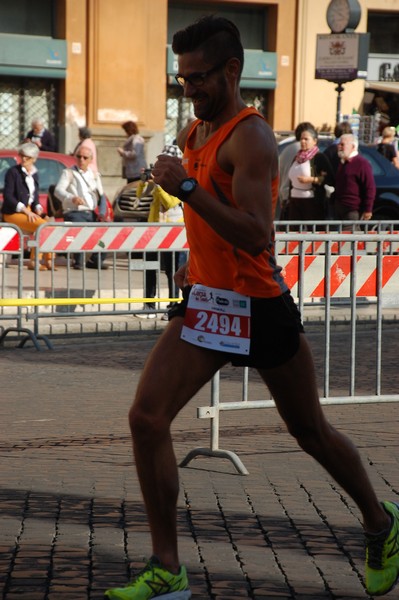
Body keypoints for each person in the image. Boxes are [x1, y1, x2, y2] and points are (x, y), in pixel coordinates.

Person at [104, 16, 399, 600]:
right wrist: (195, 259)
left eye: (199, 78)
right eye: (182, 79)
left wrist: (185, 189)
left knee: (309, 431)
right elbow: (210, 222)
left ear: (232, 71)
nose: (189, 89)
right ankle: (168, 568)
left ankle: (380, 522)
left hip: (259, 308)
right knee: (146, 418)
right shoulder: (195, 134)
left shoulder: (252, 137)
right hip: (209, 306)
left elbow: (258, 234)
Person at [135, 144, 186, 320]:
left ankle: (172, 305)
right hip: (154, 228)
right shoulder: (160, 181)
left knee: (172, 269)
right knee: (150, 267)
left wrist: (158, 185)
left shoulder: (180, 180)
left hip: (173, 230)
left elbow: (171, 202)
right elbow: (140, 196)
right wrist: (143, 181)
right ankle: (149, 304)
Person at [2, 142, 54, 270]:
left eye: (28, 157)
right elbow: (8, 197)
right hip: (13, 213)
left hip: (28, 211)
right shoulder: (13, 172)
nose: (24, 159)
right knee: (42, 226)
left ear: (34, 159)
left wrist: (38, 208)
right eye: (22, 155)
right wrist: (26, 210)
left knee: (49, 224)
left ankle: (49, 260)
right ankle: (34, 261)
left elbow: (34, 198)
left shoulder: (35, 174)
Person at [54, 147, 108, 270]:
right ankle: (78, 261)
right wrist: (71, 197)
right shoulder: (68, 173)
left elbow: (101, 195)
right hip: (75, 212)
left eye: (85, 157)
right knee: (81, 232)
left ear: (90, 159)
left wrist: (102, 213)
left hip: (91, 212)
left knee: (103, 236)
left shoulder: (94, 174)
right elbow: (58, 191)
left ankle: (96, 260)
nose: (81, 160)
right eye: (79, 157)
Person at [287, 125, 334, 226]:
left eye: (306, 139)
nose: (303, 141)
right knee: (293, 232)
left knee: (312, 232)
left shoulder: (319, 158)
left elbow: (330, 178)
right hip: (295, 200)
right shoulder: (297, 157)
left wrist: (312, 179)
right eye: (301, 139)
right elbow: (291, 180)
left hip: (312, 201)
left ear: (314, 141)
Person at [334, 133, 376, 229]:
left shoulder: (362, 163)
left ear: (353, 146)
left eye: (342, 144)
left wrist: (368, 209)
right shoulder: (343, 162)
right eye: (339, 144)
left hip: (353, 210)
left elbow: (370, 187)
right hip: (340, 208)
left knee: (347, 240)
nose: (339, 147)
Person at [278, 121, 315, 219]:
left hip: (285, 196)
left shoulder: (285, 150)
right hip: (302, 199)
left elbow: (280, 174)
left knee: (290, 231)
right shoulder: (308, 152)